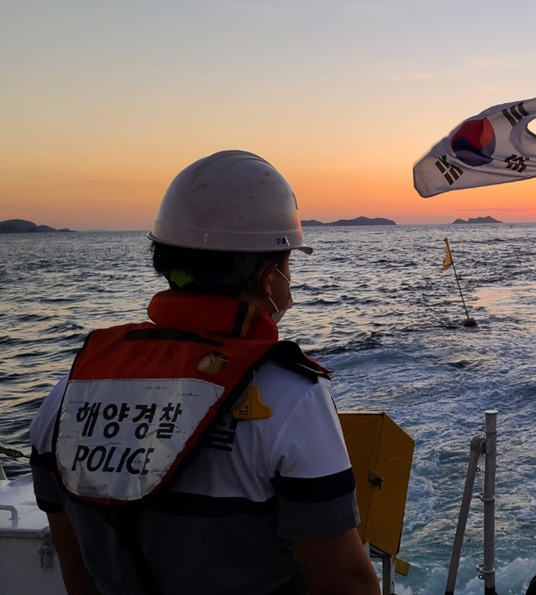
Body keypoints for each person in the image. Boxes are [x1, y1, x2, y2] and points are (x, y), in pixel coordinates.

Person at [29, 150, 380, 595]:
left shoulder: (64, 398)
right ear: (267, 278)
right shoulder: (290, 398)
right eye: (288, 264)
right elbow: (344, 582)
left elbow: (73, 561)